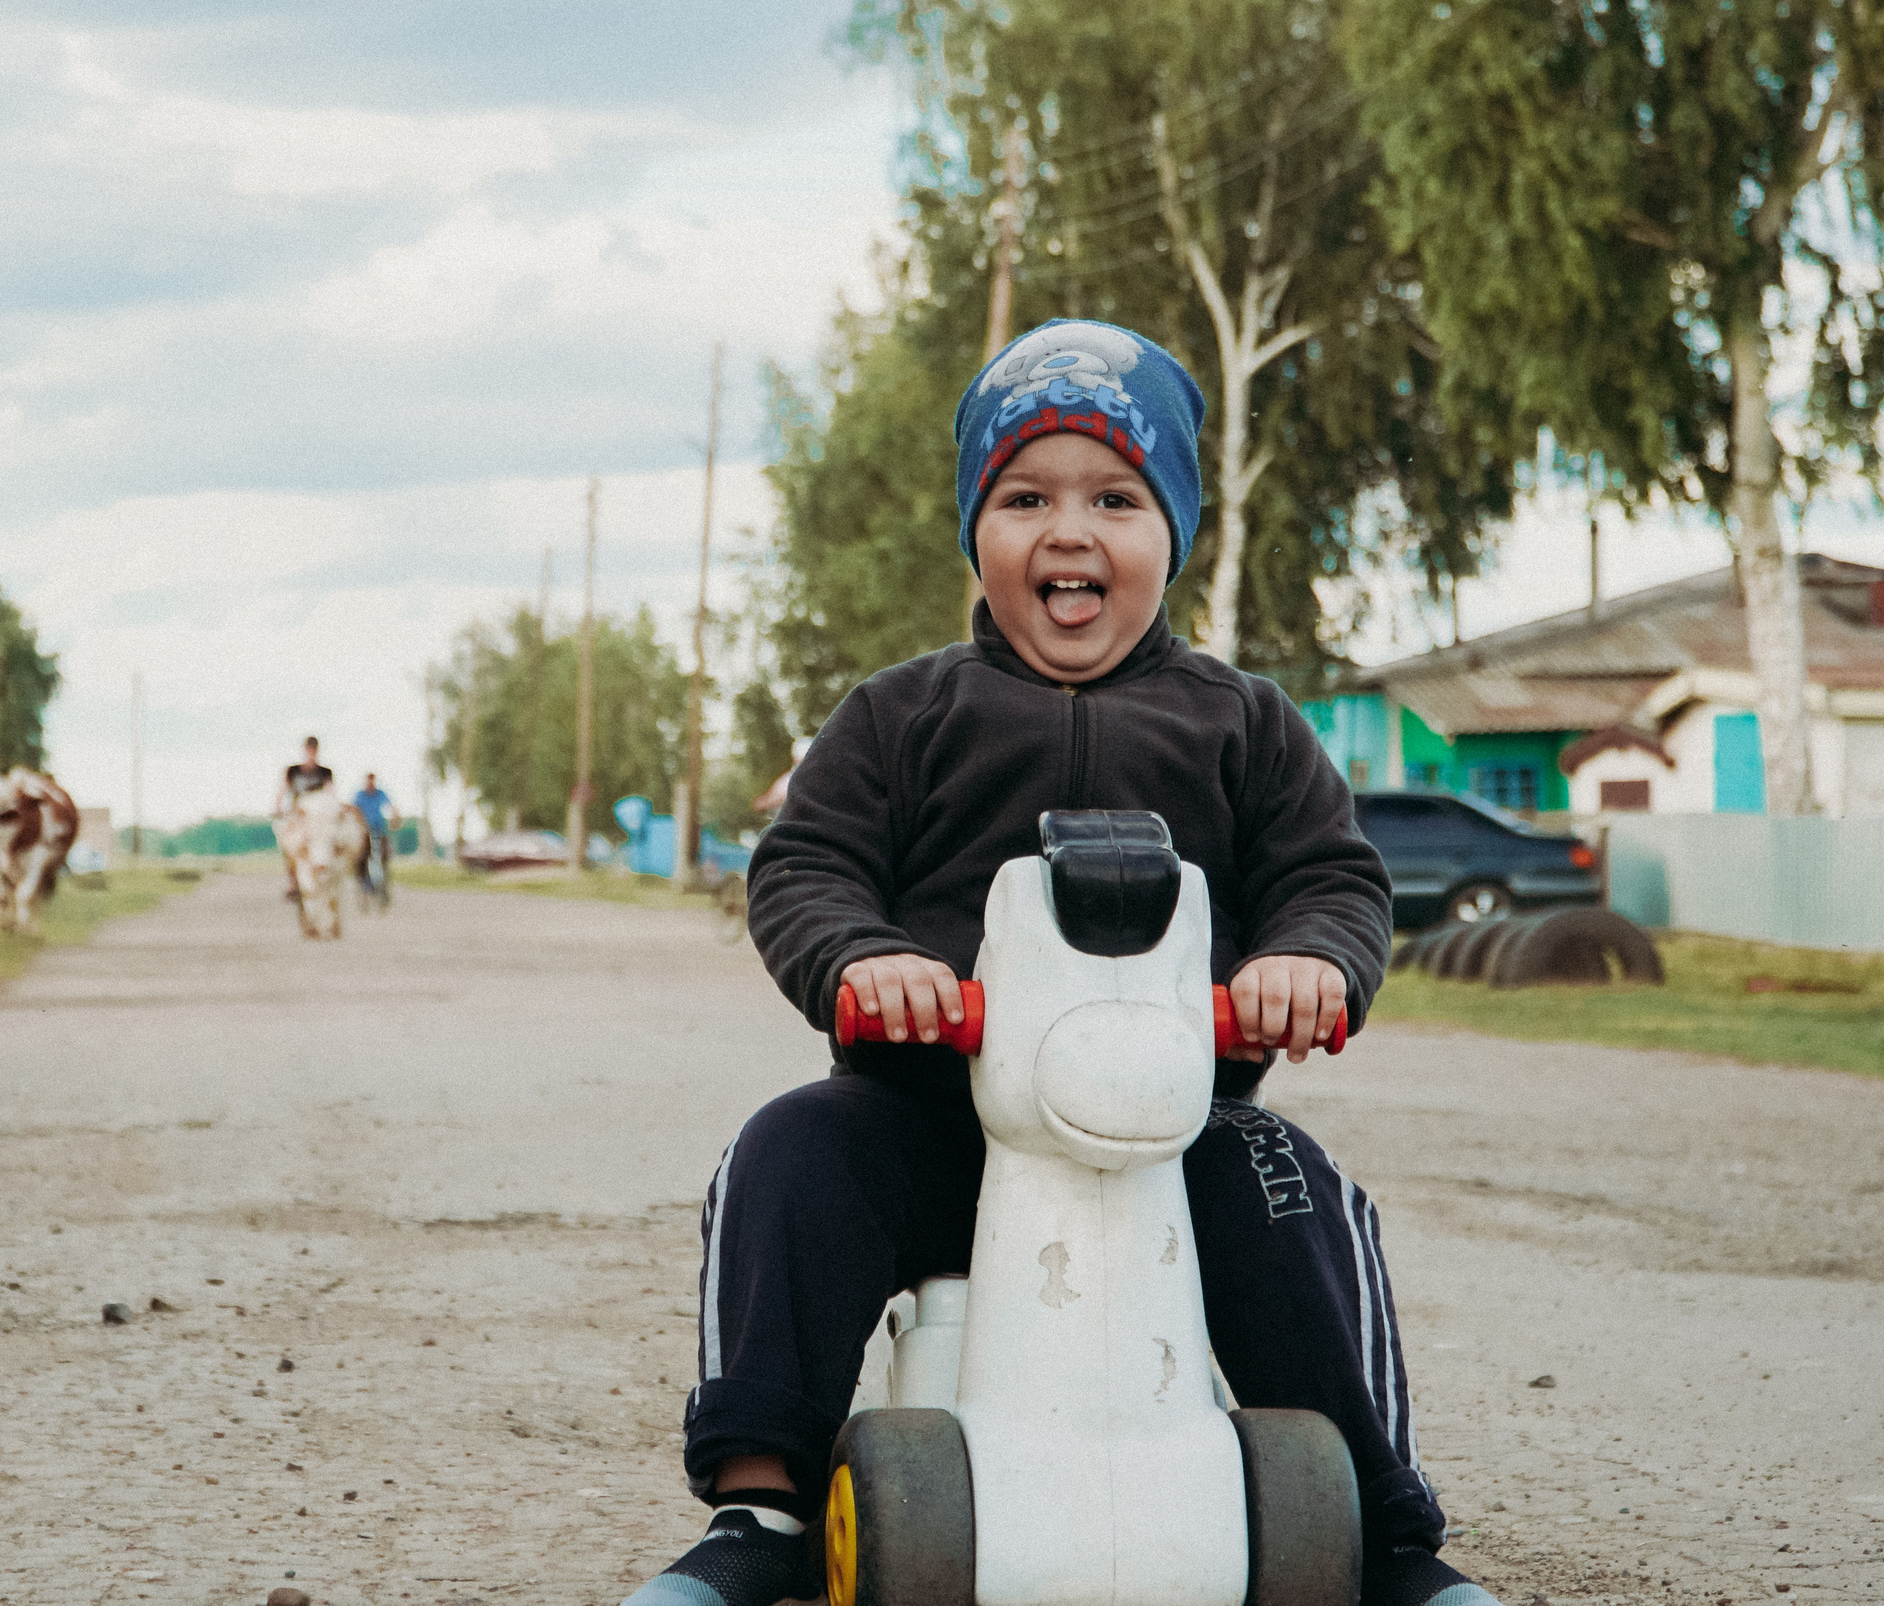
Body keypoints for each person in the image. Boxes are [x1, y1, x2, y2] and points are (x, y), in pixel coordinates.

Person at [621, 319, 1493, 1606]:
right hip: (928, 1120)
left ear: (1171, 532)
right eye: (1024, 498)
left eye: (1115, 500)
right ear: (975, 529)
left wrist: (1307, 961)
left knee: (1291, 1182)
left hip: (1170, 1135)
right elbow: (805, 866)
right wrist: (864, 959)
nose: (1068, 532)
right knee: (788, 1151)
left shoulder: (1243, 723)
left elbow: (1331, 877)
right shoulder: (903, 715)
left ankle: (1388, 1535)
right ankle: (760, 1506)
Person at [274, 737, 334, 899]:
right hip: (297, 815)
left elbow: (330, 792)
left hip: (317, 817)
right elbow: (283, 790)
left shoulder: (325, 772)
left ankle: (330, 874)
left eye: (314, 750)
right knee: (287, 840)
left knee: (331, 838)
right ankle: (292, 880)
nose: (311, 753)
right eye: (309, 750)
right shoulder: (293, 771)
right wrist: (278, 807)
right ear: (305, 750)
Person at [351, 773, 400, 894]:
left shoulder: (380, 794)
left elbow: (390, 805)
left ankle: (383, 882)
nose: (370, 783)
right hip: (364, 831)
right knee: (361, 854)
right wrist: (361, 824)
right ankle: (363, 878)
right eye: (368, 781)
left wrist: (395, 815)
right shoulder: (360, 795)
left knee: (384, 853)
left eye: (372, 781)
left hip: (379, 829)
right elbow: (354, 809)